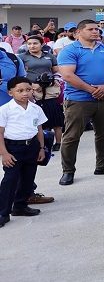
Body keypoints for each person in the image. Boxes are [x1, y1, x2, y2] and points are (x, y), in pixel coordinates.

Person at [56, 19, 104, 186]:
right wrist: (92, 90)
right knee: (71, 136)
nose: (96, 32)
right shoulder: (69, 51)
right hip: (78, 99)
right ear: (78, 32)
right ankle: (68, 171)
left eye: (97, 29)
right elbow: (68, 75)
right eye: (91, 29)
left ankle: (102, 165)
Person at [0, 77, 47, 228]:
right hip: (13, 148)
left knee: (28, 178)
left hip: (31, 146)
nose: (25, 93)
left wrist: (41, 148)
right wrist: (4, 153)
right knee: (10, 179)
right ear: (10, 92)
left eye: (28, 90)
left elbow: (39, 129)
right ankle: (3, 212)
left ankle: (20, 206)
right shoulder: (5, 110)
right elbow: (0, 133)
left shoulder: (35, 108)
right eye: (20, 91)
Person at [19, 35, 63, 149]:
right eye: (29, 44)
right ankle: (42, 143)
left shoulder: (50, 56)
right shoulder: (22, 57)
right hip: (32, 91)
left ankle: (58, 143)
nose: (32, 46)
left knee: (56, 118)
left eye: (35, 43)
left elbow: (57, 72)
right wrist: (31, 86)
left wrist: (55, 81)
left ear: (42, 44)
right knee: (39, 120)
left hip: (50, 90)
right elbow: (20, 74)